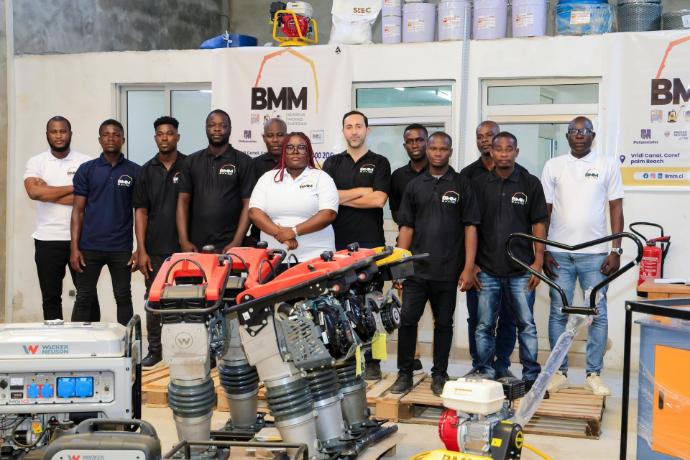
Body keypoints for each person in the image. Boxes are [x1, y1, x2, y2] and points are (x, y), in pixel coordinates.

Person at [391, 132, 480, 396]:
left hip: (448, 269)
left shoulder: (462, 184)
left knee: (444, 324)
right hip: (416, 270)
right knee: (408, 321)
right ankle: (404, 373)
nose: (438, 153)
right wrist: (399, 267)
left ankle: (439, 374)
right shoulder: (414, 185)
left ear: (450, 152)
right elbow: (406, 228)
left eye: (443, 149)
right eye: (434, 148)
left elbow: (471, 227)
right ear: (427, 151)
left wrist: (468, 267)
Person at [541, 116, 624, 396]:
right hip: (558, 254)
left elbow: (616, 208)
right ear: (567, 136)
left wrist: (615, 249)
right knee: (558, 312)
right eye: (574, 131)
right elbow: (545, 211)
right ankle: (559, 372)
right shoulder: (553, 166)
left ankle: (594, 374)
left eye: (584, 131)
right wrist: (543, 248)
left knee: (597, 314)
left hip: (596, 255)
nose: (579, 135)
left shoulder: (607, 164)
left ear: (593, 136)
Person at [471, 132, 546, 389]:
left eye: (509, 149)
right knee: (484, 325)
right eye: (499, 149)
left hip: (522, 269)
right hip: (487, 269)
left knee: (526, 325)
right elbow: (472, 227)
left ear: (517, 151)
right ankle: (484, 371)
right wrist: (473, 264)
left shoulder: (530, 182)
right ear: (491, 152)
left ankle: (531, 376)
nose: (504, 153)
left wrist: (538, 262)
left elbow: (539, 223)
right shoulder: (479, 184)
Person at [323, 110, 392, 380]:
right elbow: (327, 199)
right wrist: (362, 191)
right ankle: (347, 359)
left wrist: (342, 197)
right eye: (349, 126)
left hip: (370, 245)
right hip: (338, 246)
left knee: (372, 304)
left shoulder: (380, 162)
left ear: (367, 130)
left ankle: (373, 361)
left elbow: (378, 200)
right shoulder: (332, 164)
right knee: (340, 304)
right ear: (343, 131)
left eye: (359, 126)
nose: (354, 131)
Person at [24, 116, 99, 320]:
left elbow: (91, 198)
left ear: (70, 134)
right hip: (47, 239)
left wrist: (48, 192)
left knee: (88, 296)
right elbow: (34, 192)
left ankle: (89, 338)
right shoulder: (36, 162)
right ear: (47, 135)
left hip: (81, 240)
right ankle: (54, 338)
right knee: (50, 298)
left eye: (63, 131)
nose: (59, 136)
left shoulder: (85, 162)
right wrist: (75, 188)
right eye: (54, 131)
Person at [460, 121, 518, 379]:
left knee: (508, 318)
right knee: (478, 319)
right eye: (480, 136)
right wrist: (470, 264)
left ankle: (502, 365)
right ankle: (480, 365)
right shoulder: (467, 175)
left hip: (511, 264)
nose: (484, 140)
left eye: (489, 135)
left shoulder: (519, 175)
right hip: (478, 264)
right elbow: (464, 223)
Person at [70, 119, 140, 325]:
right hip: (89, 247)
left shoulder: (135, 171)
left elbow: (140, 212)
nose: (111, 138)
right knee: (84, 297)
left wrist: (139, 249)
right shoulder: (87, 170)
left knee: (123, 296)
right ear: (99, 139)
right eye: (106, 134)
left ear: (123, 140)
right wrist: (74, 248)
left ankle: (127, 343)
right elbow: (78, 211)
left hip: (121, 248)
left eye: (116, 134)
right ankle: (77, 342)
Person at [133, 116, 186, 369]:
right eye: (160, 134)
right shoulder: (145, 170)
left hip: (184, 249)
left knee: (185, 300)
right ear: (155, 138)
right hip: (154, 248)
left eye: (169, 133)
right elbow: (141, 212)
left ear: (177, 137)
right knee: (153, 299)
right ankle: (155, 350)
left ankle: (182, 348)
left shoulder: (189, 165)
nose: (165, 137)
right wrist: (141, 250)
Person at [249, 132, 338, 261]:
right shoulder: (267, 178)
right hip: (274, 257)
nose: (295, 151)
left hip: (316, 256)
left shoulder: (322, 178)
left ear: (308, 153)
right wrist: (279, 234)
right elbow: (254, 212)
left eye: (301, 147)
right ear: (283, 153)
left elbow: (328, 214)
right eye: (290, 147)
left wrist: (293, 231)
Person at [176, 109, 254, 253]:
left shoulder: (244, 161)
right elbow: (183, 202)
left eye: (223, 125)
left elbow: (248, 204)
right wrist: (184, 240)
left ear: (230, 129)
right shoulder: (191, 161)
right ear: (206, 128)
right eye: (212, 125)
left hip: (230, 246)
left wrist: (237, 241)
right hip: (196, 246)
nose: (217, 129)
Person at [247, 118, 288, 245]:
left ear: (287, 137)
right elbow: (249, 203)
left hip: (294, 231)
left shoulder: (297, 163)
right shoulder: (253, 165)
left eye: (280, 135)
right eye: (270, 136)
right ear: (264, 138)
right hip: (260, 235)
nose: (275, 140)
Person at [389, 124, 428, 224]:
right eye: (409, 141)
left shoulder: (439, 173)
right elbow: (396, 213)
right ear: (405, 146)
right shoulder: (397, 176)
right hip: (407, 233)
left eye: (419, 140)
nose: (414, 145)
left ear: (427, 142)